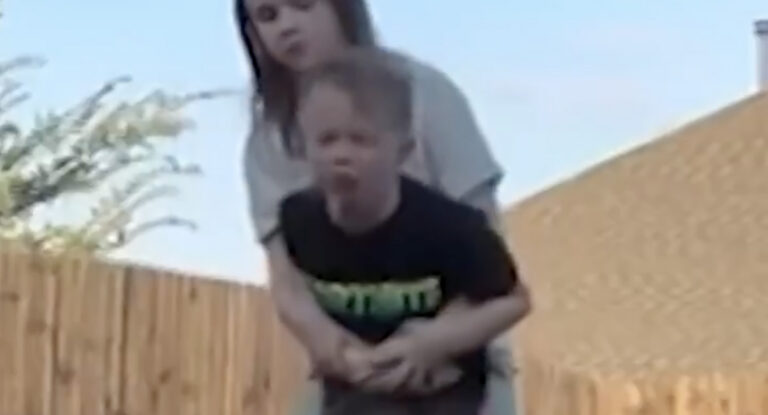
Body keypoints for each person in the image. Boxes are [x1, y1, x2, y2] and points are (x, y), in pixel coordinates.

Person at [235, 0, 530, 413]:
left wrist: (428, 344)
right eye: (268, 16)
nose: (287, 25)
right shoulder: (269, 139)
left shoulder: (425, 95)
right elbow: (286, 281)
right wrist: (336, 347)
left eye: (302, 5)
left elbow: (488, 260)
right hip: (352, 365)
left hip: (460, 357)